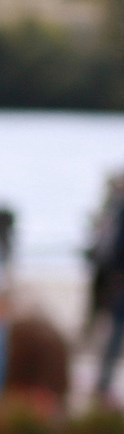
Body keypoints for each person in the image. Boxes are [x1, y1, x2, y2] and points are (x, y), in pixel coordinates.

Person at [88, 171, 124, 405]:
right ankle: (102, 385)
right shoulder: (115, 209)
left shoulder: (117, 209)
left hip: (117, 278)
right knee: (113, 335)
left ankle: (103, 384)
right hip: (116, 279)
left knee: (113, 335)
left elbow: (108, 249)